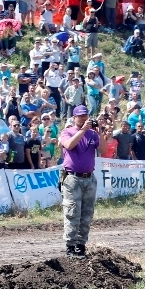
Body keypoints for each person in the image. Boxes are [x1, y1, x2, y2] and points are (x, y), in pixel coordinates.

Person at [59, 105, 100, 258]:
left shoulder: (92, 134)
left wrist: (99, 131)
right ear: (74, 117)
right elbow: (69, 145)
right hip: (73, 178)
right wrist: (83, 130)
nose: (84, 118)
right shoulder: (67, 131)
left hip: (89, 178)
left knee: (87, 213)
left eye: (86, 115)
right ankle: (70, 246)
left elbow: (101, 148)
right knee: (72, 212)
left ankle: (81, 245)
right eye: (81, 116)